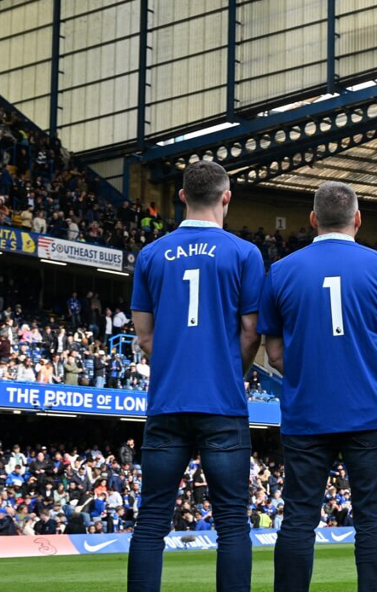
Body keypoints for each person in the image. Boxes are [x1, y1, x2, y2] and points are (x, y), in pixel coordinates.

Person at [259, 182, 377, 592]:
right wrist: (372, 377)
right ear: (358, 219)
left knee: (300, 519)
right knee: (373, 521)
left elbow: (273, 353)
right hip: (371, 412)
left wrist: (310, 374)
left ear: (312, 220)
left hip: (307, 412)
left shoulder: (282, 270)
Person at [127, 160, 264, 592]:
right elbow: (250, 333)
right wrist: (230, 371)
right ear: (226, 197)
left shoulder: (150, 255)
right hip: (222, 404)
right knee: (232, 524)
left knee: (150, 522)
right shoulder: (245, 253)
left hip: (167, 403)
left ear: (182, 196)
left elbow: (144, 335)